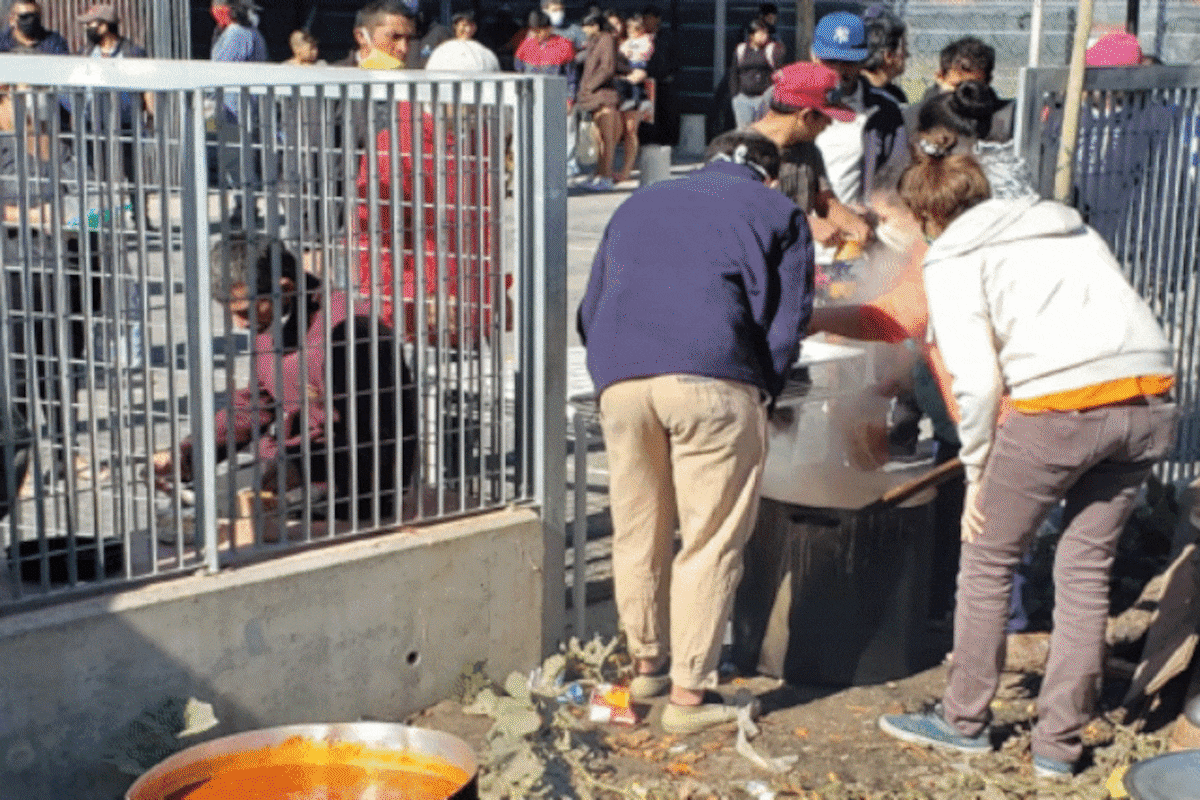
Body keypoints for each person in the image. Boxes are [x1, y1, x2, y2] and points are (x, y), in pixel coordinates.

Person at [876, 135, 1177, 779]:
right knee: (1086, 568)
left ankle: (962, 721)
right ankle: (1058, 747)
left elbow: (977, 383)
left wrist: (978, 472)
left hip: (1060, 409)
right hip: (1151, 398)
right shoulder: (1067, 227)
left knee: (988, 560)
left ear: (928, 216)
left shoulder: (951, 254)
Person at [578, 129, 814, 734]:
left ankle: (646, 668)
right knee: (709, 540)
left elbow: (591, 307)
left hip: (621, 381)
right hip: (714, 379)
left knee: (639, 529)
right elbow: (785, 323)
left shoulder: (640, 202)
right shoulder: (778, 210)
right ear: (770, 176)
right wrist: (766, 390)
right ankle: (688, 697)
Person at [153, 234, 417, 522]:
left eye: (245, 312)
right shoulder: (273, 321)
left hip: (353, 481)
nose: (240, 324)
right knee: (191, 513)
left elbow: (376, 436)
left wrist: (301, 468)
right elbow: (255, 403)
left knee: (229, 518)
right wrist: (187, 455)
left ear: (285, 289)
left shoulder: (350, 331)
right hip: (294, 461)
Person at [746, 61, 869, 250]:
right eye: (827, 117)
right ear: (806, 116)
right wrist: (804, 223)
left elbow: (825, 201)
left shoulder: (808, 150)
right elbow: (741, 212)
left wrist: (853, 224)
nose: (830, 124)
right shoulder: (736, 152)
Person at [811, 11, 907, 207]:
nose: (838, 71)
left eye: (848, 62)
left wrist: (872, 209)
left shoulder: (884, 111)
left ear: (863, 61)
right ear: (813, 56)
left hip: (857, 220)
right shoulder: (786, 100)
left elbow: (895, 172)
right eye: (830, 60)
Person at [575, 11, 622, 191]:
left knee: (607, 139)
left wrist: (588, 86)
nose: (584, 30)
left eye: (586, 26)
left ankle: (606, 177)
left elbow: (607, 68)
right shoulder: (596, 41)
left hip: (604, 96)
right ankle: (600, 174)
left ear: (595, 25)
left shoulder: (606, 39)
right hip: (595, 96)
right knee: (599, 139)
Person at [728, 17, 784, 129]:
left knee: (762, 131)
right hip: (743, 98)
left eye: (766, 33)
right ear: (751, 35)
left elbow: (779, 71)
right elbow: (734, 72)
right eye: (761, 33)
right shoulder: (741, 50)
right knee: (745, 131)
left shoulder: (770, 49)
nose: (764, 36)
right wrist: (735, 95)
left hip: (763, 98)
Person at [333, 0, 416, 69]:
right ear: (361, 36)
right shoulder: (334, 77)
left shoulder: (417, 76)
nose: (404, 49)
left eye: (408, 39)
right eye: (394, 37)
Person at [861, 5, 908, 105]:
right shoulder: (857, 94)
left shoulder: (896, 94)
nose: (907, 55)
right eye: (905, 47)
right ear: (889, 55)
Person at [424, 11, 499, 72]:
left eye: (471, 25)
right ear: (455, 26)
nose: (468, 29)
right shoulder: (443, 51)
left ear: (475, 27)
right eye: (464, 25)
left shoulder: (485, 52)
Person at [0, 0, 67, 54]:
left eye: (34, 16)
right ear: (12, 20)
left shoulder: (53, 42)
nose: (30, 20)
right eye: (24, 16)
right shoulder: (2, 42)